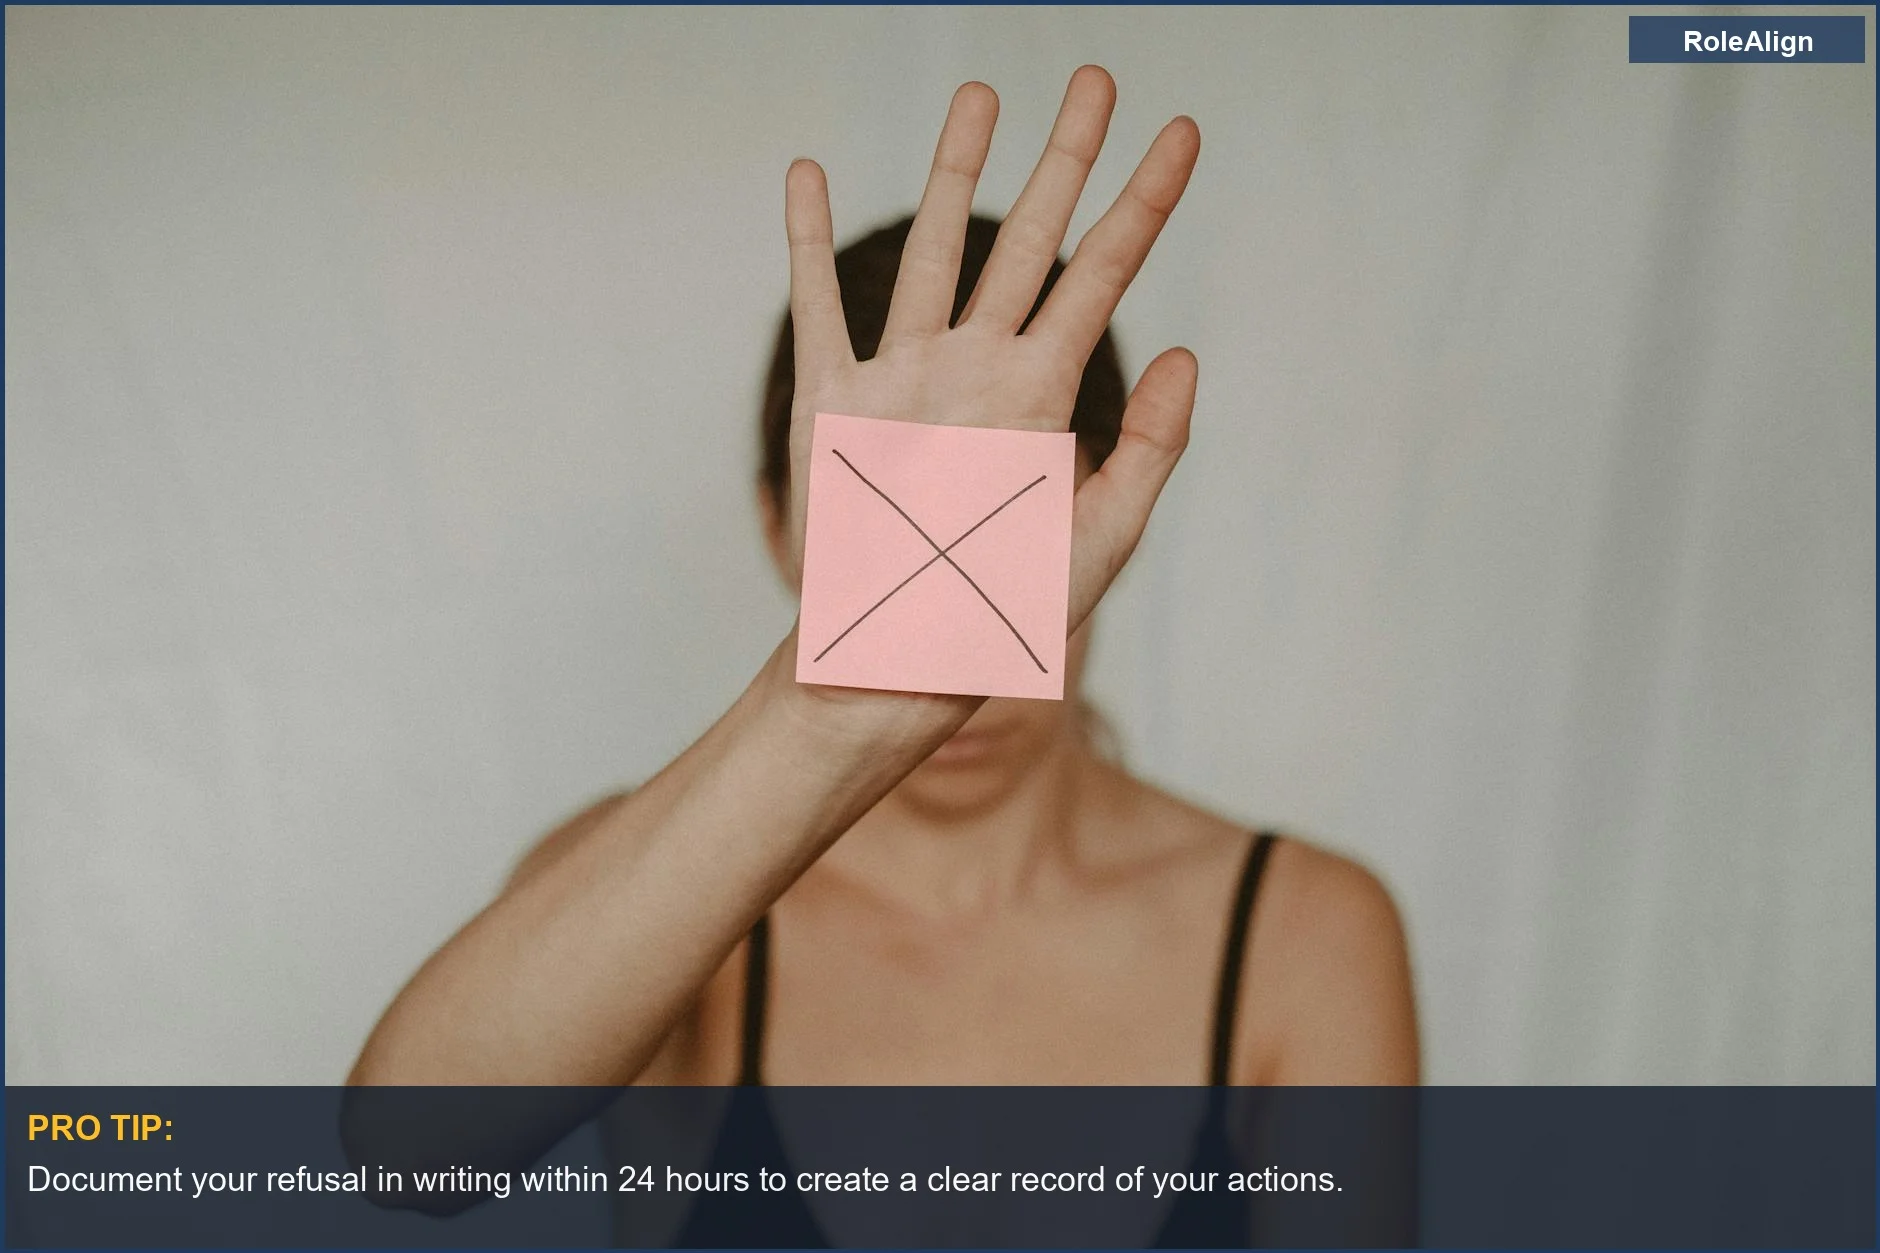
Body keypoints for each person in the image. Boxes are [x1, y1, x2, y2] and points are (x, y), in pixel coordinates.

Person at [349, 66, 1416, 1098]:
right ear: (777, 527)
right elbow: (410, 1149)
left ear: (1109, 526)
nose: (963, 666)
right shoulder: (651, 896)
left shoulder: (1300, 929)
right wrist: (822, 713)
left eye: (1010, 529)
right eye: (882, 534)